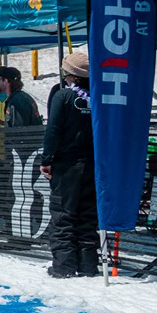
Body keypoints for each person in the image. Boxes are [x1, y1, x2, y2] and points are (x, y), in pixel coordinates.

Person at [39, 48, 99, 278]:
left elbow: (53, 130)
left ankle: (63, 267)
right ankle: (88, 265)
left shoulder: (63, 96)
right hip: (92, 164)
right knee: (86, 216)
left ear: (72, 75)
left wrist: (47, 159)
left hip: (67, 164)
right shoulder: (99, 95)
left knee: (63, 215)